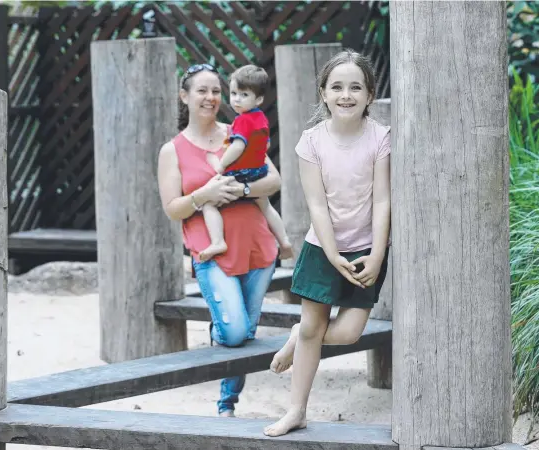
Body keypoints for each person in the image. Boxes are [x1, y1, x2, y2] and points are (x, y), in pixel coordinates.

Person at [263, 50, 391, 437]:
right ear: (323, 93)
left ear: (370, 95)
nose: (346, 95)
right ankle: (296, 410)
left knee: (349, 332)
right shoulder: (311, 141)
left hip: (368, 249)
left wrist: (378, 253)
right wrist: (332, 252)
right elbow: (316, 203)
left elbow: (383, 200)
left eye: (356, 87)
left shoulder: (381, 138)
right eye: (337, 87)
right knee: (312, 327)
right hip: (322, 249)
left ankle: (297, 336)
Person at [157, 63, 281, 418]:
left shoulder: (239, 130)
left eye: (215, 90)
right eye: (202, 90)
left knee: (246, 332)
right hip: (211, 249)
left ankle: (226, 404)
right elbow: (173, 209)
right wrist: (204, 194)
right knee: (234, 329)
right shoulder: (173, 150)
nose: (211, 97)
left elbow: (274, 181)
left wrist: (240, 188)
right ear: (185, 96)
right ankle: (219, 329)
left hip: (258, 245)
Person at [201, 64, 293, 262]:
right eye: (234, 93)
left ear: (258, 99)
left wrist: (222, 165)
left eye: (243, 95)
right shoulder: (261, 118)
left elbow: (237, 147)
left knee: (209, 204)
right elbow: (265, 143)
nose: (236, 99)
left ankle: (218, 241)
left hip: (240, 173)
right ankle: (284, 241)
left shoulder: (242, 120)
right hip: (258, 170)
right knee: (266, 206)